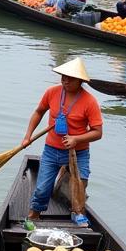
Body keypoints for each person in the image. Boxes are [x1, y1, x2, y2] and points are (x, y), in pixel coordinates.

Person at [22, 57, 103, 228]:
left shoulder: (90, 101)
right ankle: (35, 213)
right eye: (63, 77)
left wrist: (76, 139)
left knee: (80, 183)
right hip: (52, 149)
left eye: (70, 78)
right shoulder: (52, 92)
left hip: (78, 152)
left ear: (80, 81)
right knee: (43, 188)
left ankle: (78, 212)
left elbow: (97, 133)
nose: (65, 81)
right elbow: (39, 112)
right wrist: (27, 136)